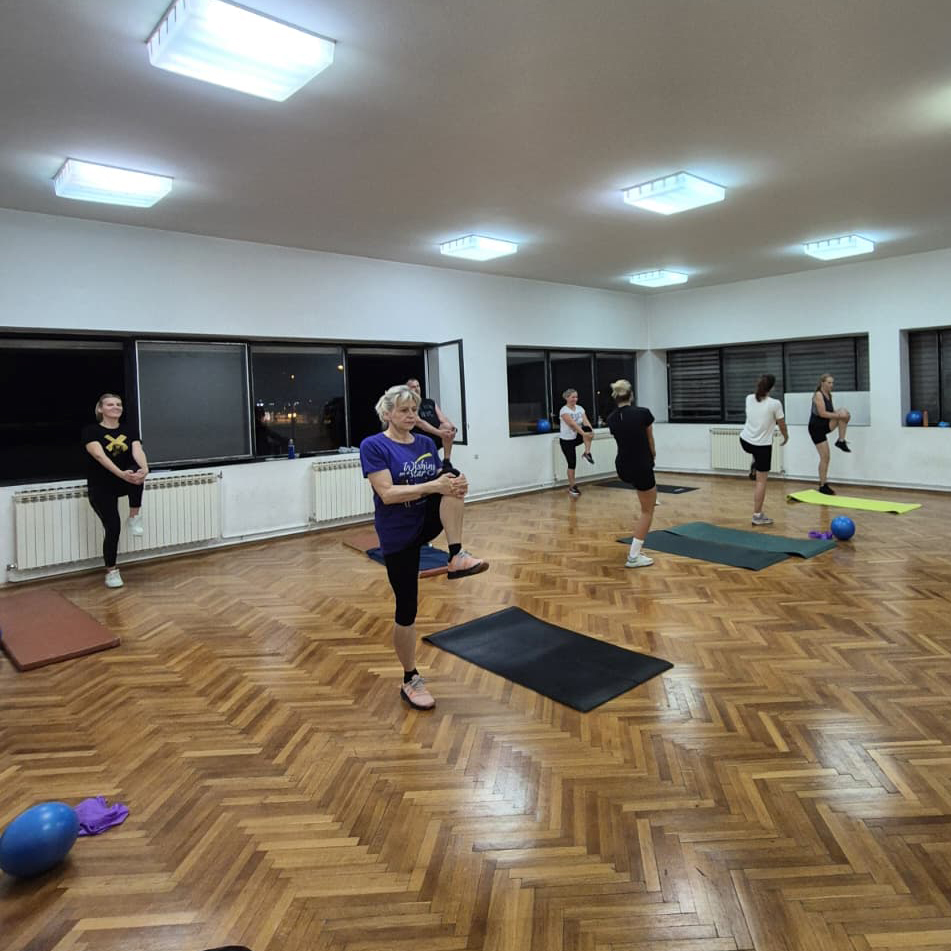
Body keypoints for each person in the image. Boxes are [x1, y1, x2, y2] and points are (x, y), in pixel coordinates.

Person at [360, 384, 488, 711]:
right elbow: (387, 494)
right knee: (407, 609)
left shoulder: (426, 443)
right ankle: (410, 678)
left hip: (425, 520)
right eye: (404, 410)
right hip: (397, 533)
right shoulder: (374, 445)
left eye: (414, 410)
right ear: (387, 413)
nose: (411, 416)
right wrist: (434, 485)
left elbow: (440, 482)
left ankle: (456, 554)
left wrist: (455, 482)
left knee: (453, 482)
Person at [82, 393, 149, 588]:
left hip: (125, 479)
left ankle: (134, 516)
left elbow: (137, 451)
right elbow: (99, 456)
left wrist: (145, 469)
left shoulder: (129, 429)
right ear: (100, 409)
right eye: (110, 404)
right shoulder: (91, 431)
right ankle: (111, 572)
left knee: (137, 471)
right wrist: (120, 474)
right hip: (101, 486)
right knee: (113, 528)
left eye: (118, 404)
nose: (116, 407)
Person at [605, 379, 656, 568]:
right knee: (647, 511)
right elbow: (650, 440)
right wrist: (652, 457)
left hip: (622, 467)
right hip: (640, 465)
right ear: (631, 396)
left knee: (645, 496)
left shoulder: (611, 418)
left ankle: (650, 494)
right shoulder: (643, 413)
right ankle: (634, 556)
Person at [739, 374, 789, 526]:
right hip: (761, 447)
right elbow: (782, 424)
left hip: (745, 441)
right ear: (772, 387)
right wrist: (786, 437)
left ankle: (755, 462)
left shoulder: (748, 398)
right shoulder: (775, 404)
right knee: (761, 482)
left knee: (756, 453)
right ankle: (757, 516)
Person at [809, 373, 851, 495]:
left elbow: (831, 413)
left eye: (832, 383)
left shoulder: (829, 395)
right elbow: (822, 413)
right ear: (822, 383)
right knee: (825, 457)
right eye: (829, 383)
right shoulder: (818, 395)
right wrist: (839, 416)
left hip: (824, 425)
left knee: (844, 413)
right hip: (816, 428)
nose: (831, 385)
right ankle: (823, 485)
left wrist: (842, 415)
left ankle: (841, 441)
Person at [406, 378, 458, 471]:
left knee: (447, 427)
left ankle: (446, 461)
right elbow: (419, 422)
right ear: (408, 389)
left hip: (436, 434)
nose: (417, 389)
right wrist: (439, 433)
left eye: (418, 386)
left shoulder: (430, 402)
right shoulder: (408, 404)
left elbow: (443, 418)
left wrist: (452, 428)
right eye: (413, 387)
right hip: (419, 435)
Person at [558, 388, 595, 497]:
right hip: (566, 441)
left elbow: (586, 421)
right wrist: (584, 434)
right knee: (572, 463)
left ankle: (587, 453)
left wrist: (591, 431)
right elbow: (572, 424)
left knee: (588, 430)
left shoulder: (580, 408)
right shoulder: (564, 411)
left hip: (576, 437)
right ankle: (572, 487)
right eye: (572, 397)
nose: (575, 399)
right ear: (567, 398)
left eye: (576, 397)